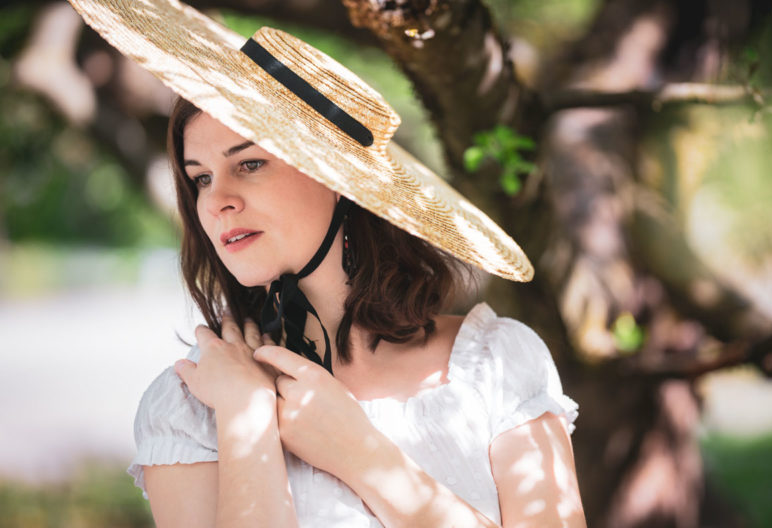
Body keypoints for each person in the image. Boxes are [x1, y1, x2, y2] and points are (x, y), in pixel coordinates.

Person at [67, 0, 585, 526]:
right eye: (200, 177)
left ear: (337, 180)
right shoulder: (192, 404)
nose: (215, 200)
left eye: (249, 164)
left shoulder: (496, 364)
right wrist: (248, 422)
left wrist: (360, 452)